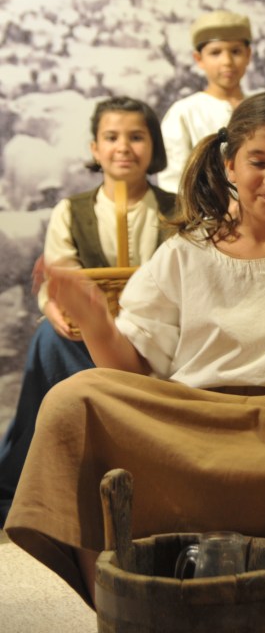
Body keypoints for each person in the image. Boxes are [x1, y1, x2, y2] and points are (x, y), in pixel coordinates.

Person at [5, 91, 265, 633]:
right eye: (258, 162)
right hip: (194, 425)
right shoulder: (186, 252)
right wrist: (95, 322)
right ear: (230, 164)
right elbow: (130, 373)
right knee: (75, 397)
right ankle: (125, 603)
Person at [0, 96, 176, 525]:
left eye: (136, 137)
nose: (123, 147)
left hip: (155, 339)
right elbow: (57, 274)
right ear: (95, 148)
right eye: (111, 137)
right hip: (85, 338)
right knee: (48, 338)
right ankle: (24, 481)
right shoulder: (71, 210)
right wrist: (54, 306)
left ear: (153, 146)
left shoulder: (178, 208)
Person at [157, 8, 253, 192]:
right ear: (199, 59)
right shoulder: (184, 113)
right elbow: (174, 183)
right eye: (215, 53)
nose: (227, 61)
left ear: (248, 54)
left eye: (235, 51)